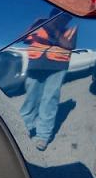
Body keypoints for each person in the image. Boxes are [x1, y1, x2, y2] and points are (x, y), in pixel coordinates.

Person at [20, 19, 77, 150]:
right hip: (36, 64)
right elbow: (22, 38)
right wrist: (35, 24)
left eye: (64, 16)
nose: (60, 18)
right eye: (56, 15)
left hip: (57, 66)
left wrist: (53, 30)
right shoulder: (40, 25)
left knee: (49, 99)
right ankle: (23, 128)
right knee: (31, 99)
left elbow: (69, 45)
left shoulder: (71, 29)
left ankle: (42, 136)